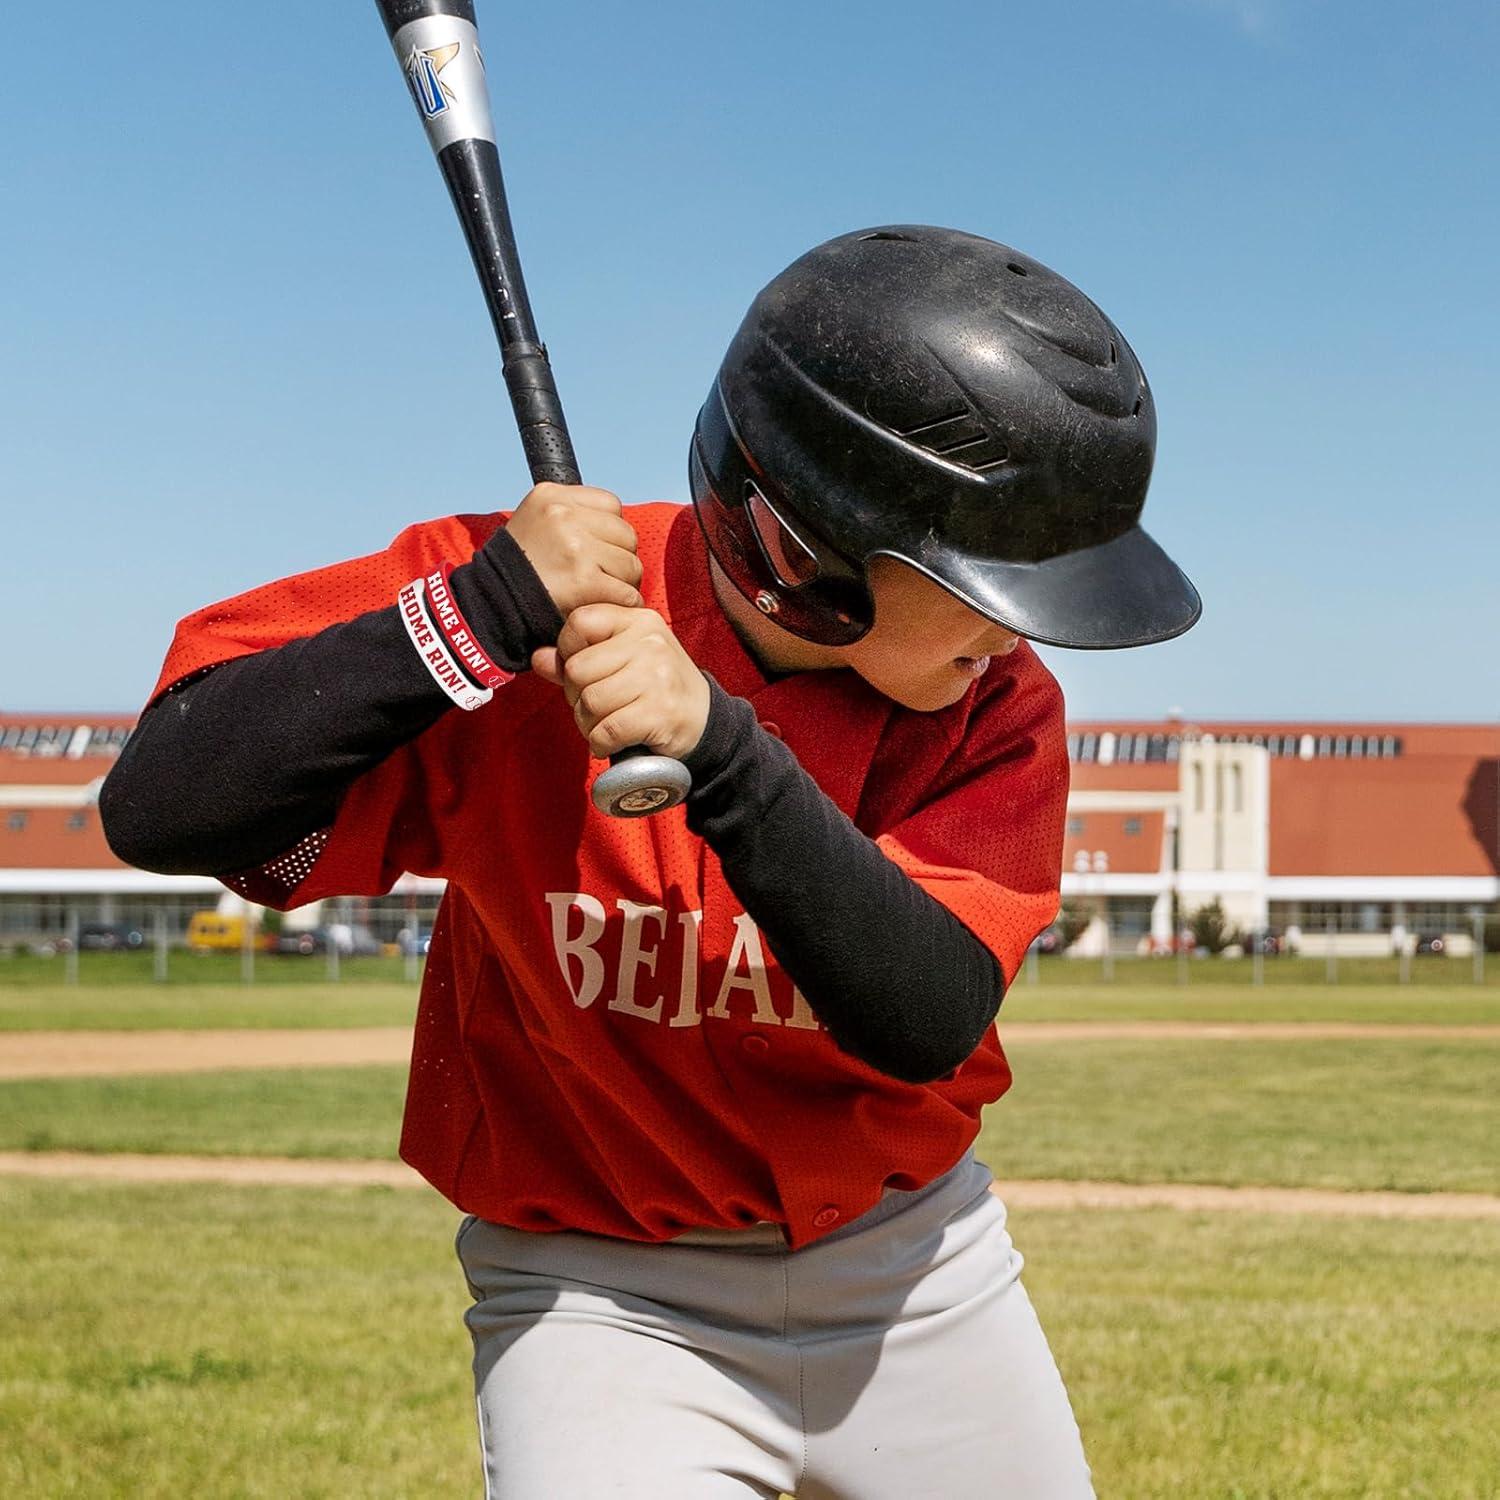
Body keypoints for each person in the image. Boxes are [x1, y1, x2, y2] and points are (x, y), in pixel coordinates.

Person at [101, 225, 1199, 1498]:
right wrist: (482, 611)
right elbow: (163, 803)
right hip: (595, 1299)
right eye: (996, 584)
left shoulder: (993, 707)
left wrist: (717, 747)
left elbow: (925, 1014)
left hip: (914, 1271)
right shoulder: (527, 595)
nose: (1019, 637)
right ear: (806, 559)